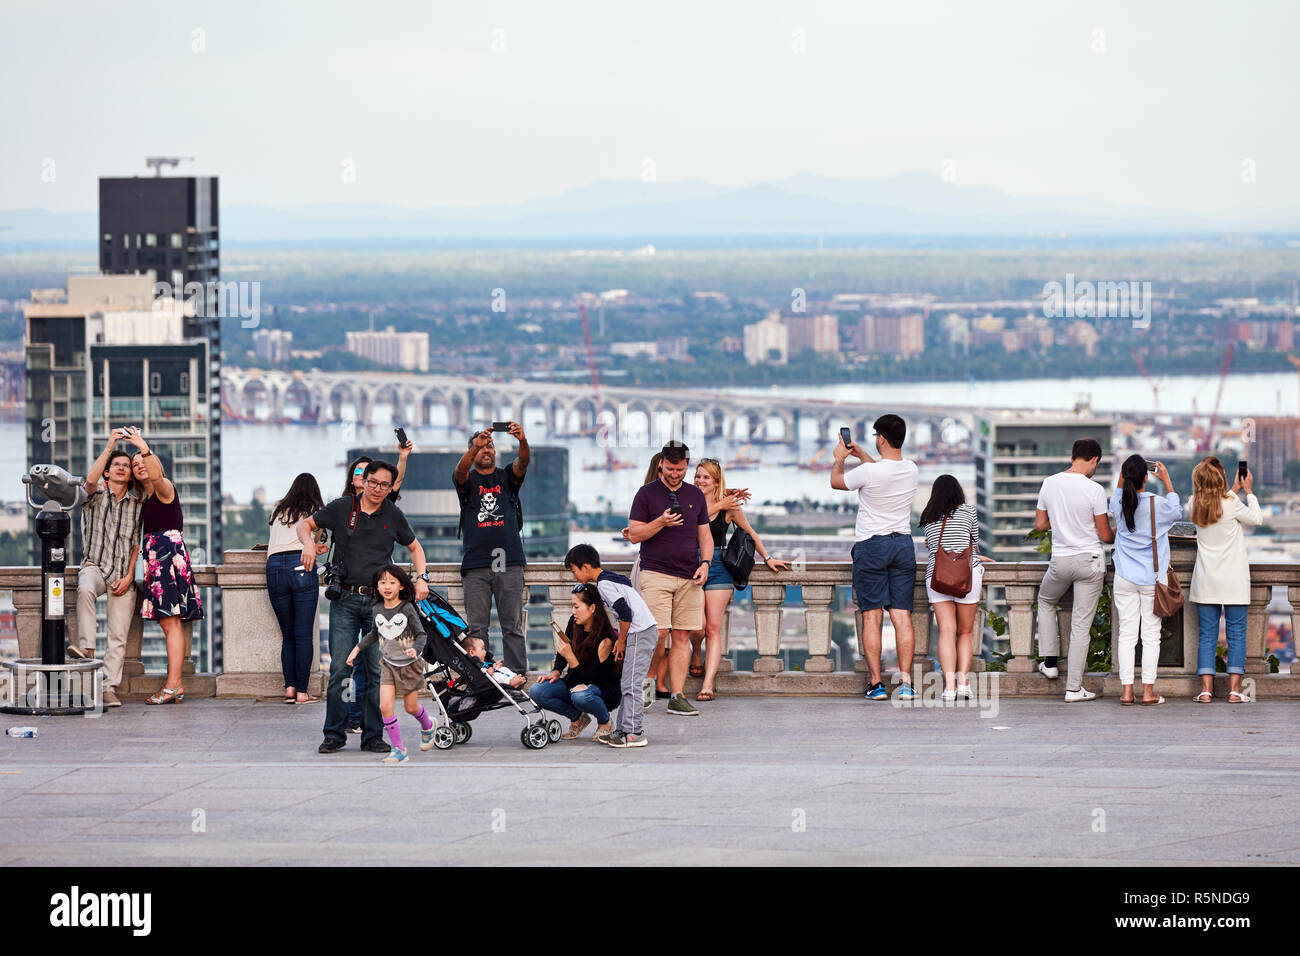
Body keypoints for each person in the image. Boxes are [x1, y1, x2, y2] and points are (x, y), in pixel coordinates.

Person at [298, 459, 430, 755]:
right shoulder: (343, 507)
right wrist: (308, 544)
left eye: (384, 485)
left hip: (379, 605)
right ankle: (334, 734)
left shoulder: (392, 514)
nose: (378, 489)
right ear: (363, 480)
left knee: (375, 670)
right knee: (339, 668)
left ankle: (373, 735)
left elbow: (415, 548)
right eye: (373, 482)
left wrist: (422, 578)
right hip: (344, 599)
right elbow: (305, 525)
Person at [831, 415, 919, 701]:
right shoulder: (912, 470)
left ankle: (876, 683)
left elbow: (837, 482)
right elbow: (881, 471)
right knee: (901, 616)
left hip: (871, 546)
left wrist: (840, 458)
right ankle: (906, 683)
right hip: (903, 546)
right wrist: (863, 455)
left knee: (872, 616)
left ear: (881, 438)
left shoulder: (869, 473)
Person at [689, 459, 787, 702]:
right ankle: (695, 653)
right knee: (697, 626)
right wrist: (720, 502)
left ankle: (708, 684)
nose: (700, 481)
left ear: (716, 481)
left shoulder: (729, 506)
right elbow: (689, 521)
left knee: (713, 628)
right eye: (698, 476)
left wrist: (768, 557)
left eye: (706, 477)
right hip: (691, 565)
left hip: (720, 566)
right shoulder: (688, 500)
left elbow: (750, 533)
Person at [627, 441, 712, 717]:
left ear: (687, 465)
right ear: (661, 463)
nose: (675, 474)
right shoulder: (646, 494)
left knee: (683, 635)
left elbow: (705, 536)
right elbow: (635, 534)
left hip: (689, 575)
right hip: (656, 572)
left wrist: (706, 564)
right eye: (671, 468)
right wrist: (660, 522)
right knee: (658, 633)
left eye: (680, 469)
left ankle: (677, 695)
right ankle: (647, 684)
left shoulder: (695, 496)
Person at [124, 430, 203, 705]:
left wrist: (143, 448)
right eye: (135, 465)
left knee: (171, 624)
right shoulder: (145, 500)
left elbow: (157, 477)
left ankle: (172, 686)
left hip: (167, 559)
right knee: (169, 624)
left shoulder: (164, 489)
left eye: (143, 461)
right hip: (157, 561)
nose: (140, 465)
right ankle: (175, 684)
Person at [1033, 438, 1115, 702]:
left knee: (1045, 601)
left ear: (1072, 457)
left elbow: (1040, 524)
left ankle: (1050, 662)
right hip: (1089, 560)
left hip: (1061, 559)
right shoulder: (1095, 490)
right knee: (1081, 626)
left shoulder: (1049, 483)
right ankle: (1073, 689)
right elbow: (1105, 535)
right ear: (1094, 460)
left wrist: (1061, 518)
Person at [340, 444, 411, 731]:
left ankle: (363, 720)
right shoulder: (344, 506)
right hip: (346, 591)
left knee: (371, 662)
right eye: (359, 474)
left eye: (367, 475)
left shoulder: (385, 505)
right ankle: (348, 717)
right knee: (345, 662)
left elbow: (396, 482)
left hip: (377, 593)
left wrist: (403, 457)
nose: (366, 480)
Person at [72, 430, 144, 708]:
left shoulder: (138, 504)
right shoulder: (94, 496)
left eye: (126, 466)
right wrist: (110, 446)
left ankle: (108, 687)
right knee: (85, 589)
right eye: (117, 465)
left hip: (122, 574)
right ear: (107, 472)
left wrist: (129, 575)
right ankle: (86, 647)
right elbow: (89, 480)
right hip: (95, 566)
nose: (123, 468)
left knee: (118, 636)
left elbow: (137, 543)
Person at [564, 543, 658, 748]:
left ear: (585, 567)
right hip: (641, 631)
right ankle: (624, 729)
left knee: (631, 684)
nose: (574, 576)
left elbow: (625, 613)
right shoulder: (610, 578)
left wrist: (621, 640)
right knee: (627, 682)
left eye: (574, 571)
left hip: (640, 633)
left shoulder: (604, 585)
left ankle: (634, 733)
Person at [453, 424, 530, 673]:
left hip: (509, 561)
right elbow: (459, 472)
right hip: (476, 564)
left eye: (490, 446)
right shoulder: (468, 480)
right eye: (481, 446)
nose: (486, 450)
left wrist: (522, 440)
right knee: (476, 629)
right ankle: (481, 676)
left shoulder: (506, 476)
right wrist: (476, 444)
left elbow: (523, 462)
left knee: (512, 626)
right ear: (472, 451)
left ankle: (516, 676)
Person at [344, 564, 435, 765]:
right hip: (388, 664)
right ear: (376, 586)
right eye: (382, 582)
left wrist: (416, 649)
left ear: (401, 586)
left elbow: (421, 634)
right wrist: (357, 649)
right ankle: (399, 749)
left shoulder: (407, 608)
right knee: (385, 706)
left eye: (392, 582)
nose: (387, 586)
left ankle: (428, 725)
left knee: (411, 707)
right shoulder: (376, 609)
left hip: (409, 666)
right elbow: (374, 633)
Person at [1109, 456, 1181, 706]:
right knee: (1151, 636)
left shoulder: (1118, 503)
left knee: (1127, 635)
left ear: (1124, 476)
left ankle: (1127, 691)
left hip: (1124, 577)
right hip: (1152, 578)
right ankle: (1148, 691)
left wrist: (1123, 473)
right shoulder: (1157, 503)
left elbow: (1119, 491)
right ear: (1146, 477)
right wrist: (1167, 479)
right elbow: (1177, 511)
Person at [1189, 457, 1262, 703]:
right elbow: (1256, 519)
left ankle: (1206, 690)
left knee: (1207, 636)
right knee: (1237, 635)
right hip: (1234, 581)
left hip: (1206, 580)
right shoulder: (1232, 504)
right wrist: (1248, 491)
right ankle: (1234, 691)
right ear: (1220, 479)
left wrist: (1234, 489)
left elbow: (1215, 505)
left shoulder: (1193, 504)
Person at [919, 475, 992, 701]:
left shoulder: (928, 516)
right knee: (965, 632)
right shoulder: (969, 511)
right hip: (966, 575)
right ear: (958, 491)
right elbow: (972, 542)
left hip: (938, 576)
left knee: (946, 632)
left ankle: (949, 687)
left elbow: (932, 546)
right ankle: (963, 684)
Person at [530, 584, 622, 741]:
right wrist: (556, 671)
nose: (573, 611)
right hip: (575, 684)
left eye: (576, 607)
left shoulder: (606, 639)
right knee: (536, 691)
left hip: (602, 690)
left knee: (580, 695)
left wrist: (571, 658)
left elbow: (588, 679)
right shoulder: (574, 622)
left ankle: (605, 722)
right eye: (572, 606)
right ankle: (578, 719)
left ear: (592, 608)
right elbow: (564, 648)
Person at [266, 473, 329, 704]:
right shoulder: (315, 509)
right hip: (301, 565)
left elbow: (278, 538)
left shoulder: (277, 508)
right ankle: (302, 692)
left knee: (288, 635)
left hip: (273, 566)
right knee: (303, 634)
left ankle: (289, 689)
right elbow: (308, 541)